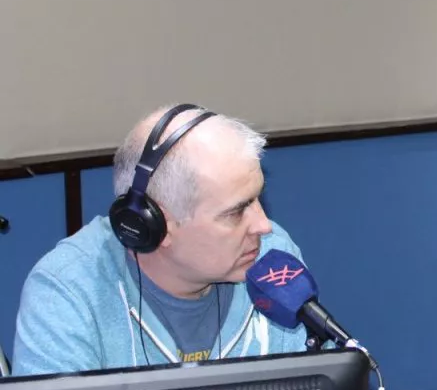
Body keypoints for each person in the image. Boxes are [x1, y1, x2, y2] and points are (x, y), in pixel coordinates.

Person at [12, 104, 310, 375]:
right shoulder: (67, 290)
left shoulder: (275, 259)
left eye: (257, 198)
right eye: (236, 212)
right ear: (156, 225)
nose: (263, 226)